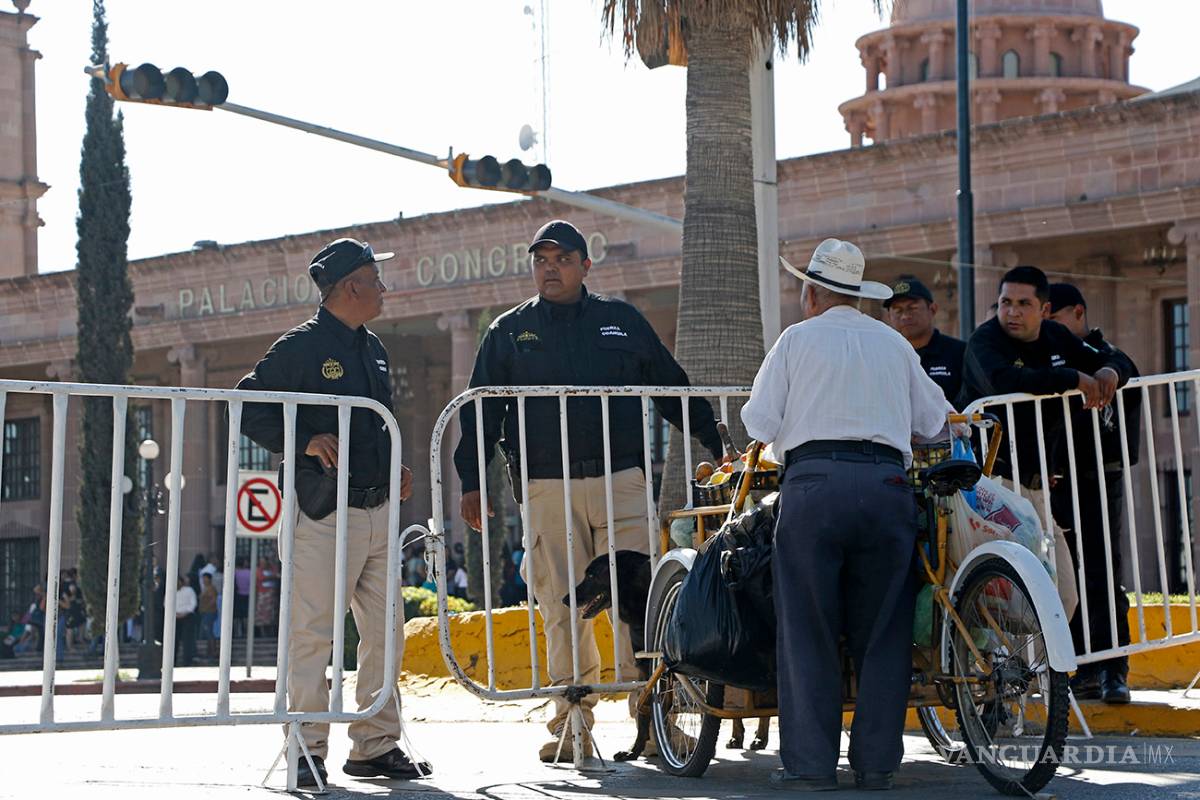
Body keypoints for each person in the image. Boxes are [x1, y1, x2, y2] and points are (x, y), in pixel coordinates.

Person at [454, 219, 724, 762]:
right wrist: (471, 482)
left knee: (640, 600)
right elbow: (482, 412)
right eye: (540, 260)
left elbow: (670, 384)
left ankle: (654, 718)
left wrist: (711, 438)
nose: (549, 269)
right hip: (546, 486)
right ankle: (570, 721)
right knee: (560, 603)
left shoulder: (620, 321)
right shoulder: (508, 332)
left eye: (560, 259)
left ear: (584, 265)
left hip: (621, 480)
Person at [742, 239, 950, 790]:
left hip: (813, 488)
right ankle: (877, 765)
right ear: (856, 296)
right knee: (884, 629)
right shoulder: (894, 343)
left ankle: (811, 766)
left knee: (808, 627)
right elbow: (934, 425)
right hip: (886, 488)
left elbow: (759, 425)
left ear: (811, 292)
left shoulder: (795, 341)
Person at [237, 236, 426, 787]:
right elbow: (248, 406)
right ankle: (306, 750)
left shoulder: (374, 348)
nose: (384, 289)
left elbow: (375, 423)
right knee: (313, 634)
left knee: (386, 633)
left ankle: (375, 745)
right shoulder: (298, 347)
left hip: (376, 511)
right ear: (350, 286)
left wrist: (397, 467)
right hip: (322, 514)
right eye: (376, 278)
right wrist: (303, 440)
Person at [1047, 282, 1140, 703]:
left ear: (1078, 314)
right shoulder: (1046, 353)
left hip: (1098, 476)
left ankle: (1111, 669)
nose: (1048, 324)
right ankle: (1080, 666)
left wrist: (1109, 375)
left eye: (1054, 315)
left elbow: (1122, 364)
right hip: (1056, 478)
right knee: (1066, 573)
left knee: (1103, 571)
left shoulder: (1098, 350)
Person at [883, 276, 967, 405]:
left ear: (932, 309)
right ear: (889, 317)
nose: (905, 316)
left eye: (912, 308)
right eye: (898, 311)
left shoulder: (960, 353)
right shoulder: (884, 357)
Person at [175, 575, 198, 667]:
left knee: (187, 640)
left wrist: (184, 613)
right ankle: (173, 661)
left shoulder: (189, 590)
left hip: (187, 617)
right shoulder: (171, 590)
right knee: (174, 640)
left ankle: (187, 661)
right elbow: (166, 603)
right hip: (175, 618)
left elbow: (193, 603)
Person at [198, 572, 219, 658]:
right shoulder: (205, 588)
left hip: (210, 612)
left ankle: (213, 651)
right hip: (205, 612)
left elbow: (214, 600)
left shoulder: (211, 588)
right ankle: (209, 651)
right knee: (207, 631)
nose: (204, 580)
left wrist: (206, 608)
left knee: (209, 631)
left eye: (205, 578)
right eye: (203, 578)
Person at [233, 556, 251, 638]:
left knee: (238, 615)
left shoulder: (235, 572)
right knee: (246, 615)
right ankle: (247, 632)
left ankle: (237, 632)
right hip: (248, 595)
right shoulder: (249, 572)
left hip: (238, 595)